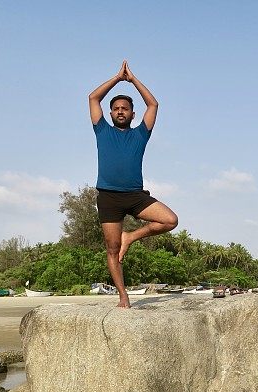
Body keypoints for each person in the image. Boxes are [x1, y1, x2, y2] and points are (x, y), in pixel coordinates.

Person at [89, 60, 178, 307]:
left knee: (170, 220)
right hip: (108, 197)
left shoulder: (141, 133)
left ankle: (132, 236)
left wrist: (133, 79)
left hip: (135, 195)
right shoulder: (101, 130)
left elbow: (154, 104)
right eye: (116, 108)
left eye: (125, 108)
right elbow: (93, 98)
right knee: (111, 248)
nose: (120, 111)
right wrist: (117, 78)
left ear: (132, 114)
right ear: (110, 113)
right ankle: (123, 296)